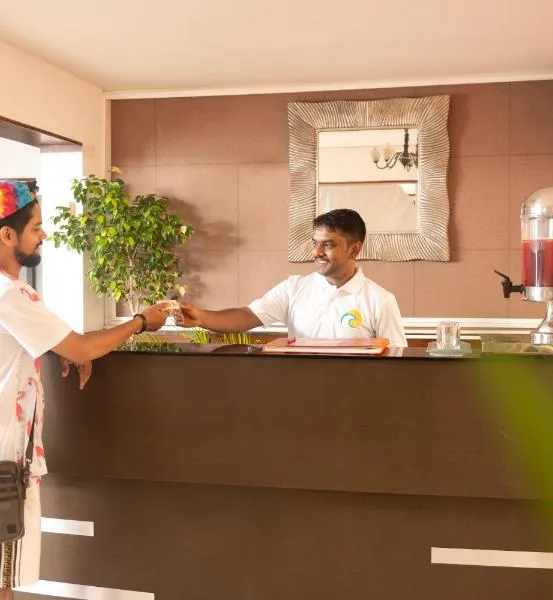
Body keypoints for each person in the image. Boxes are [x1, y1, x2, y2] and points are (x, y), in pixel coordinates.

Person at [0, 180, 168, 598]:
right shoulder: (10, 293)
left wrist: (63, 349)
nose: (44, 234)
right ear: (6, 235)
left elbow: (52, 344)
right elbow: (81, 346)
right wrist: (141, 321)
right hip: (3, 464)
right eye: (35, 227)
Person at [179, 208, 407, 347]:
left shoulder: (380, 300)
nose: (317, 252)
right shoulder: (294, 288)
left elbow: (397, 360)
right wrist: (202, 317)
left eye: (328, 245)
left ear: (354, 249)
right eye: (315, 243)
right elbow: (246, 316)